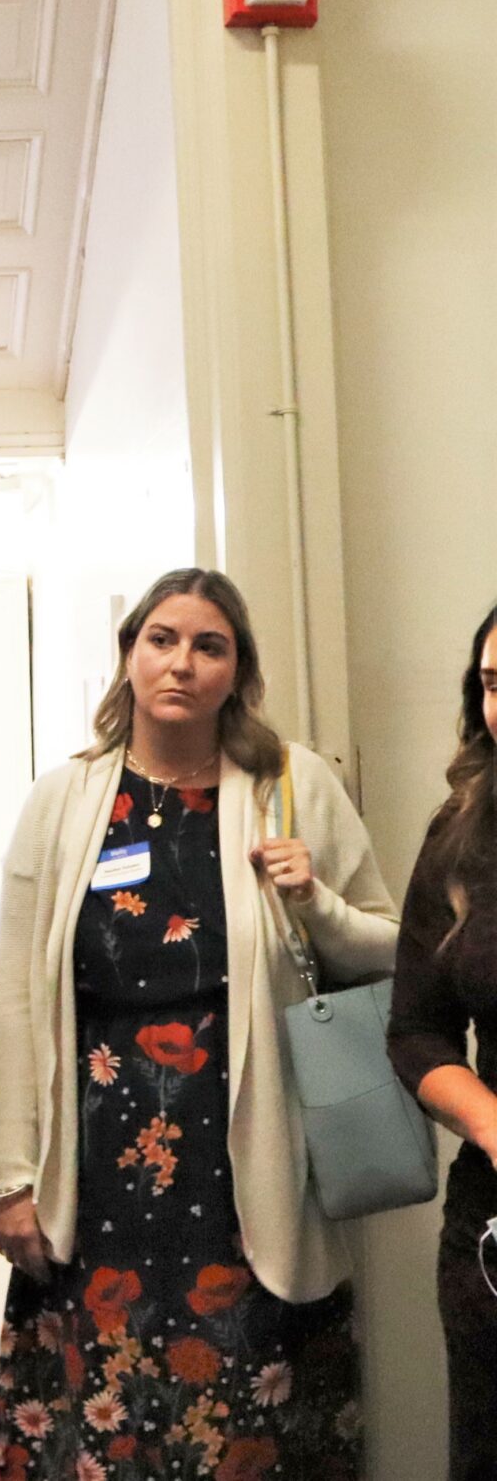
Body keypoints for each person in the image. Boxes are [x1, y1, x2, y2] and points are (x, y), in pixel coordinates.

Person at [0, 569, 397, 1481]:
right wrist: (11, 1177)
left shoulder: (294, 783)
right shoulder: (64, 802)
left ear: (237, 669)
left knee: (249, 1423)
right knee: (103, 1427)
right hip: (97, 1177)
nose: (182, 662)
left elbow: (392, 950)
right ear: (129, 654)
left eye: (210, 645)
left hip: (252, 1163)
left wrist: (316, 901)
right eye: (162, 639)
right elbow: (14, 995)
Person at [390, 601, 497, 1481]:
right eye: (495, 684)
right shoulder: (459, 833)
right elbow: (418, 1028)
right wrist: (492, 1122)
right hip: (492, 1231)